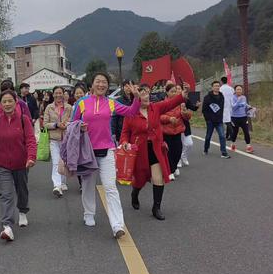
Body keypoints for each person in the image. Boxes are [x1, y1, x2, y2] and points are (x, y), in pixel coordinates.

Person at [71, 73, 141, 239]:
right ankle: (89, 213)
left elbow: (131, 112)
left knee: (110, 187)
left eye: (104, 82)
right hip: (87, 152)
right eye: (98, 82)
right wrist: (79, 127)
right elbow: (72, 124)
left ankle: (117, 225)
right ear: (92, 85)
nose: (101, 85)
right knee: (88, 185)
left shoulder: (111, 103)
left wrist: (136, 97)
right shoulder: (81, 103)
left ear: (107, 86)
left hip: (107, 150)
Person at [121, 84, 189, 219]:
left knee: (158, 178)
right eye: (143, 94)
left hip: (155, 149)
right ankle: (135, 193)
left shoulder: (155, 108)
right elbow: (125, 133)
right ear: (137, 98)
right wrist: (124, 143)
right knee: (139, 180)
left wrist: (183, 95)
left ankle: (156, 207)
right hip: (139, 152)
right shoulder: (130, 114)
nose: (147, 96)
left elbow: (171, 103)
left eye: (148, 94)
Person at [0, 90, 37, 242]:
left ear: (16, 103)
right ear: (0, 104)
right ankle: (7, 226)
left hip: (21, 163)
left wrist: (31, 157)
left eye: (10, 101)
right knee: (6, 194)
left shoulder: (24, 120)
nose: (7, 104)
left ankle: (22, 211)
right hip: (2, 164)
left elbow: (30, 140)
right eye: (4, 102)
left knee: (21, 189)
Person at [43, 86, 72, 197]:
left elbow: (72, 121)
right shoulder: (49, 108)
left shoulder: (69, 107)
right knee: (56, 162)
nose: (58, 95)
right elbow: (45, 123)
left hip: (66, 139)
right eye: (56, 93)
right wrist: (56, 125)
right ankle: (57, 185)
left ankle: (63, 182)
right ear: (53, 94)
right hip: (53, 139)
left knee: (64, 161)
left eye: (60, 93)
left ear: (63, 94)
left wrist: (66, 125)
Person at [160, 84, 191, 180]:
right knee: (168, 153)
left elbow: (187, 117)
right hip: (166, 132)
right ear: (167, 92)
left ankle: (173, 167)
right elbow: (159, 117)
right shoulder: (162, 103)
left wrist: (185, 113)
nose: (174, 93)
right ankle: (170, 171)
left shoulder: (180, 103)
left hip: (177, 131)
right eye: (171, 91)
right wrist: (169, 119)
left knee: (177, 151)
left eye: (175, 91)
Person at [202, 81, 230, 158]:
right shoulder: (207, 97)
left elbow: (222, 108)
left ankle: (224, 152)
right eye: (215, 86)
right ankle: (206, 149)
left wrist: (221, 117)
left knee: (222, 136)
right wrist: (207, 119)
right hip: (210, 121)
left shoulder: (221, 96)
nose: (217, 87)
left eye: (218, 86)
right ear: (212, 87)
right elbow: (204, 110)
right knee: (208, 136)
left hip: (219, 120)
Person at [175, 85, 199, 167]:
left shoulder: (185, 100)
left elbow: (193, 108)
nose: (177, 90)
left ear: (182, 90)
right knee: (178, 145)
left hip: (185, 125)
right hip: (175, 125)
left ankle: (184, 156)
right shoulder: (171, 101)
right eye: (176, 89)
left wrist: (196, 106)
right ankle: (177, 160)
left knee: (189, 144)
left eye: (179, 89)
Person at [231, 85, 253, 153]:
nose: (239, 91)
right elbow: (233, 107)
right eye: (237, 89)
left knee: (246, 132)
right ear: (235, 90)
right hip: (234, 117)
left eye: (240, 89)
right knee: (235, 132)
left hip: (243, 117)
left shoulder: (244, 97)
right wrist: (238, 100)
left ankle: (248, 146)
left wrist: (249, 107)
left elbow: (245, 104)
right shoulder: (232, 97)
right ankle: (233, 143)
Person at [111, 80, 134, 144]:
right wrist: (113, 132)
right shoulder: (118, 101)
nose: (128, 88)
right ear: (123, 88)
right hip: (121, 131)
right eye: (126, 86)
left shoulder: (136, 99)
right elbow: (114, 117)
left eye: (130, 86)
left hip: (134, 132)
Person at [220, 76, 234, 141]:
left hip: (224, 106)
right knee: (228, 120)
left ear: (221, 81)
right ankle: (227, 136)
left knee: (227, 122)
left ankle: (232, 135)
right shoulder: (231, 88)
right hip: (231, 106)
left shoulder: (220, 89)